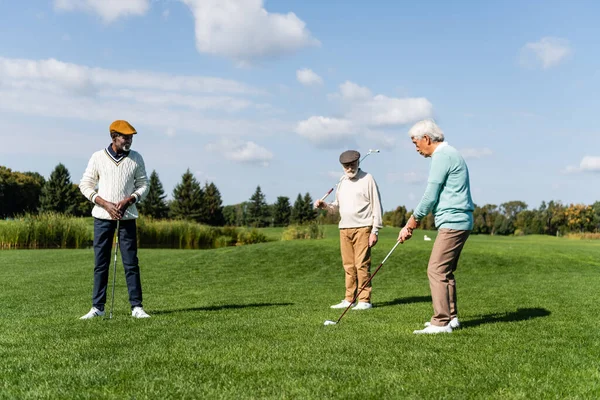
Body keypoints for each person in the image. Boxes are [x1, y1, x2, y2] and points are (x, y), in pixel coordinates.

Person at [398, 119, 474, 334]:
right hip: (459, 221)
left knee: (436, 269)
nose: (416, 148)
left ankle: (440, 322)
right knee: (446, 271)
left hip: (453, 221)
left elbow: (430, 195)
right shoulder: (450, 153)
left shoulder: (442, 156)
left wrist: (411, 222)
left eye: (415, 143)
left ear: (427, 139)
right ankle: (451, 318)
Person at [79, 120, 150, 319]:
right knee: (101, 263)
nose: (129, 140)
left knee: (131, 263)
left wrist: (130, 199)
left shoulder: (136, 158)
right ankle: (97, 308)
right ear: (113, 137)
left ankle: (137, 307)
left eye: (131, 137)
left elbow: (144, 185)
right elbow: (85, 185)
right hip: (102, 216)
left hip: (127, 216)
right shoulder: (97, 157)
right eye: (125, 137)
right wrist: (105, 204)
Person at [315, 150, 383, 310]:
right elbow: (336, 207)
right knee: (348, 266)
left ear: (358, 163)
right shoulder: (342, 182)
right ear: (342, 167)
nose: (349, 168)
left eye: (352, 164)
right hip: (344, 228)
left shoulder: (368, 179)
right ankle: (349, 299)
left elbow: (377, 205)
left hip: (363, 228)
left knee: (362, 265)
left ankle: (365, 300)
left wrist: (375, 230)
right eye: (346, 166)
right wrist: (324, 206)